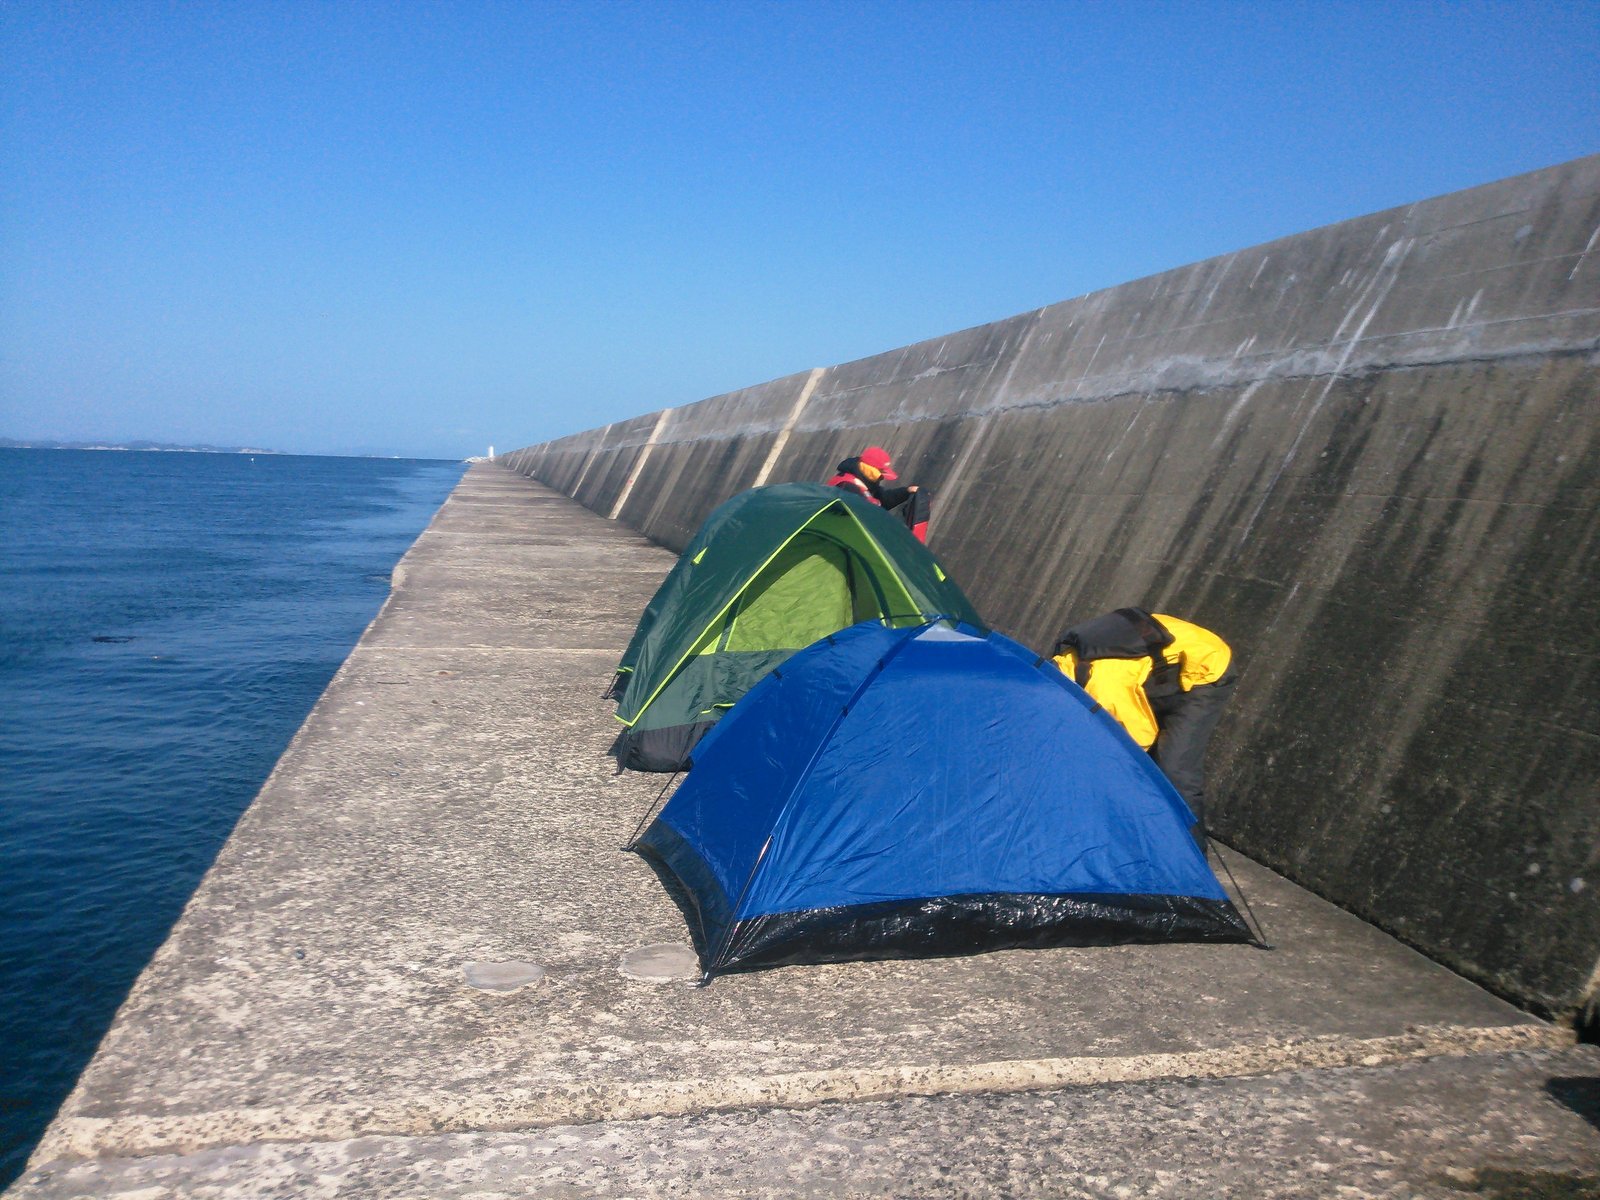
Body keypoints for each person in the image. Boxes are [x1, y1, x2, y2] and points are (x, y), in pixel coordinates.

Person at [1052, 607, 1236, 834]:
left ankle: (1189, 858)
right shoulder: (1062, 663)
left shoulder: (1103, 687)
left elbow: (1139, 737)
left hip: (1203, 669)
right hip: (1155, 672)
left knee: (1174, 771)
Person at [827, 446, 929, 541]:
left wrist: (906, 491)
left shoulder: (865, 480)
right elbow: (867, 516)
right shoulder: (847, 487)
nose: (882, 476)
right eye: (881, 472)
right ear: (869, 468)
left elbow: (883, 499)